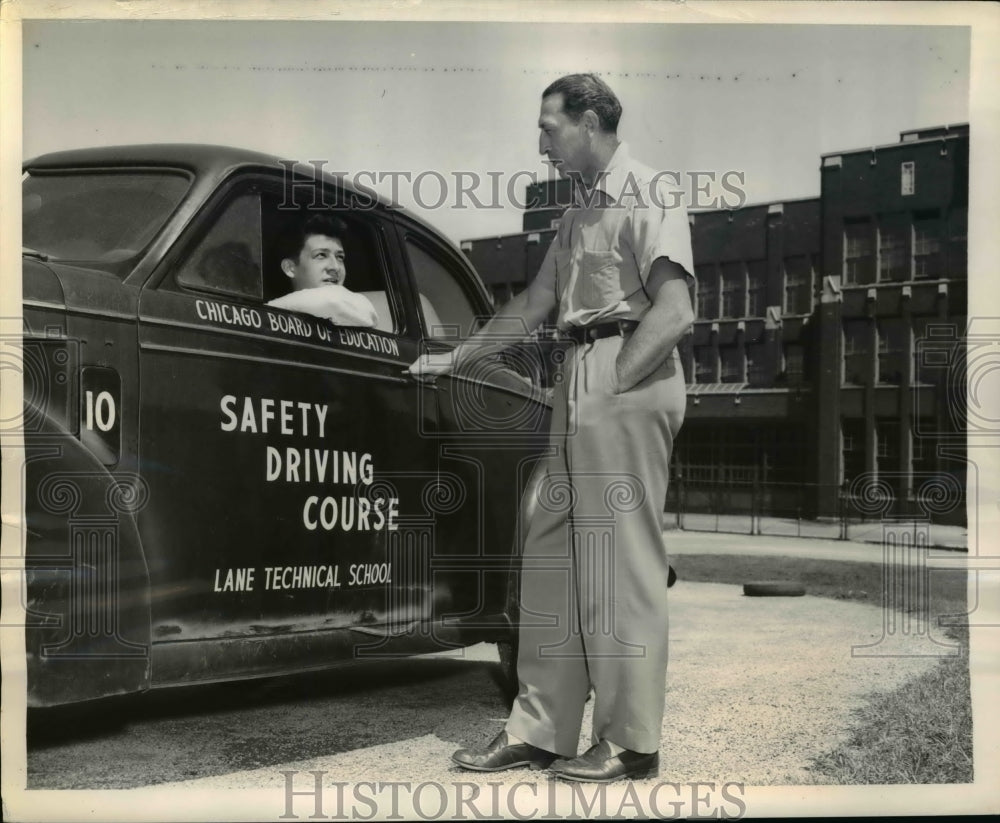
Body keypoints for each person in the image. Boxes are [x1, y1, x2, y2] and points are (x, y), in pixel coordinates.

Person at [409, 73, 695, 783]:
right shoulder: (575, 216)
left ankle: (631, 742)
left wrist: (613, 385)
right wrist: (458, 356)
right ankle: (540, 728)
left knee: (618, 563)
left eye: (549, 128)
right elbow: (534, 304)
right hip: (576, 374)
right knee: (550, 555)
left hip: (623, 372)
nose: (541, 144)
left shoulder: (648, 191)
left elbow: (675, 311)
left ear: (589, 121)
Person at [267, 213, 379, 328]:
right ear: (290, 268)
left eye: (340, 257)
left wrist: (270, 307)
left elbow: (333, 301)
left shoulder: (355, 308)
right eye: (321, 255)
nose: (335, 267)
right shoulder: (273, 323)